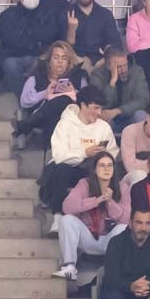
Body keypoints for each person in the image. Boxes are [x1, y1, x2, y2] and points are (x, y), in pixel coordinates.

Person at [41, 85, 120, 214]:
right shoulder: (65, 124)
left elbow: (113, 152)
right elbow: (59, 156)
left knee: (108, 169)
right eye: (95, 108)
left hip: (92, 170)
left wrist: (102, 157)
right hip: (69, 170)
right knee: (61, 169)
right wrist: (84, 153)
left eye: (101, 108)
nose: (99, 113)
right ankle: (58, 216)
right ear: (83, 105)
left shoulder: (104, 127)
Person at [53, 151, 129, 280]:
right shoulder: (84, 184)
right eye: (102, 165)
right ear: (94, 169)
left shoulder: (123, 187)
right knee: (66, 220)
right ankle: (70, 267)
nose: (106, 169)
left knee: (123, 228)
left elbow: (127, 218)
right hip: (87, 237)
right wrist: (96, 201)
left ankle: (117, 269)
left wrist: (110, 202)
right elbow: (67, 207)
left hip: (110, 240)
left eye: (110, 165)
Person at [13, 39, 87, 144]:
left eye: (64, 58)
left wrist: (74, 92)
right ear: (49, 62)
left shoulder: (79, 78)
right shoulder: (35, 78)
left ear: (68, 63)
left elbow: (89, 101)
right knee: (57, 109)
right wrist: (45, 93)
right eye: (56, 57)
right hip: (45, 121)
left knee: (64, 100)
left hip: (72, 119)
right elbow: (24, 101)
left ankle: (27, 124)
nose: (60, 61)